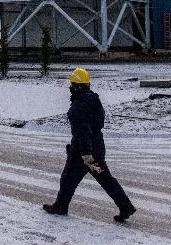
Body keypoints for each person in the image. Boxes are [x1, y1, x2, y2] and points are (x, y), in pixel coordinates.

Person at [43, 68, 136, 222]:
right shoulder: (95, 100)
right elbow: (98, 123)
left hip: (82, 152)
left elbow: (83, 132)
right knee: (106, 180)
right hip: (98, 146)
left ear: (77, 86)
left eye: (72, 84)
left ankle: (60, 207)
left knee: (68, 179)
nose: (70, 87)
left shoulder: (77, 107)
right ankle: (125, 206)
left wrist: (86, 154)